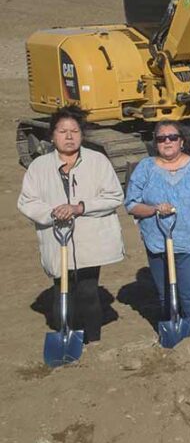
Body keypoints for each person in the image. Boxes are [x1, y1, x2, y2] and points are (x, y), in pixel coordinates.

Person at [18, 106, 125, 343]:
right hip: (57, 239)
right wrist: (52, 212)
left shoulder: (97, 161)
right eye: (62, 131)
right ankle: (66, 336)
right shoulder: (39, 167)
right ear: (52, 135)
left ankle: (93, 341)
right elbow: (27, 201)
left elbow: (114, 196)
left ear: (82, 134)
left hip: (90, 239)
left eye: (74, 131)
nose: (68, 137)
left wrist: (80, 208)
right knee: (61, 291)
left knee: (88, 290)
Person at [125, 121, 190, 334]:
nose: (167, 141)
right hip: (158, 241)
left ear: (182, 141)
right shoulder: (145, 167)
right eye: (161, 138)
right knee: (166, 294)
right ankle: (174, 332)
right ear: (155, 143)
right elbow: (131, 204)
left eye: (172, 137)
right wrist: (154, 209)